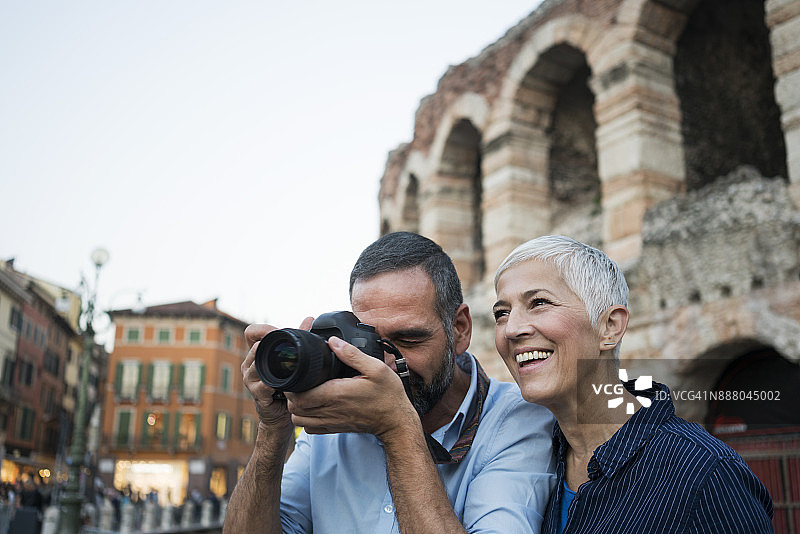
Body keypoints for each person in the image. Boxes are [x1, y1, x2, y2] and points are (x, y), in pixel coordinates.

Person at [225, 232, 555, 534]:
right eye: (366, 342)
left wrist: (396, 429)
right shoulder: (331, 420)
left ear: (459, 329)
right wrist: (273, 428)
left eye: (408, 339)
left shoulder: (517, 417)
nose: (383, 365)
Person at [492, 235, 774, 533]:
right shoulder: (532, 456)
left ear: (609, 327)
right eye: (502, 313)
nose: (511, 329)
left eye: (539, 303)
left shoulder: (704, 473)